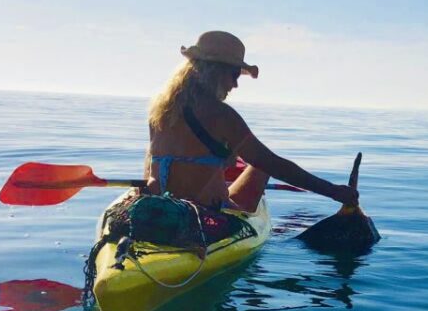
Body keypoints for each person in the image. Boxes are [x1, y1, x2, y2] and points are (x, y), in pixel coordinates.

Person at [145, 31, 359, 212]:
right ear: (215, 72)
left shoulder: (160, 109)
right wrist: (333, 191)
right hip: (205, 215)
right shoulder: (222, 115)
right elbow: (274, 164)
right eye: (235, 74)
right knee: (260, 167)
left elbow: (153, 163)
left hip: (157, 208)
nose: (236, 85)